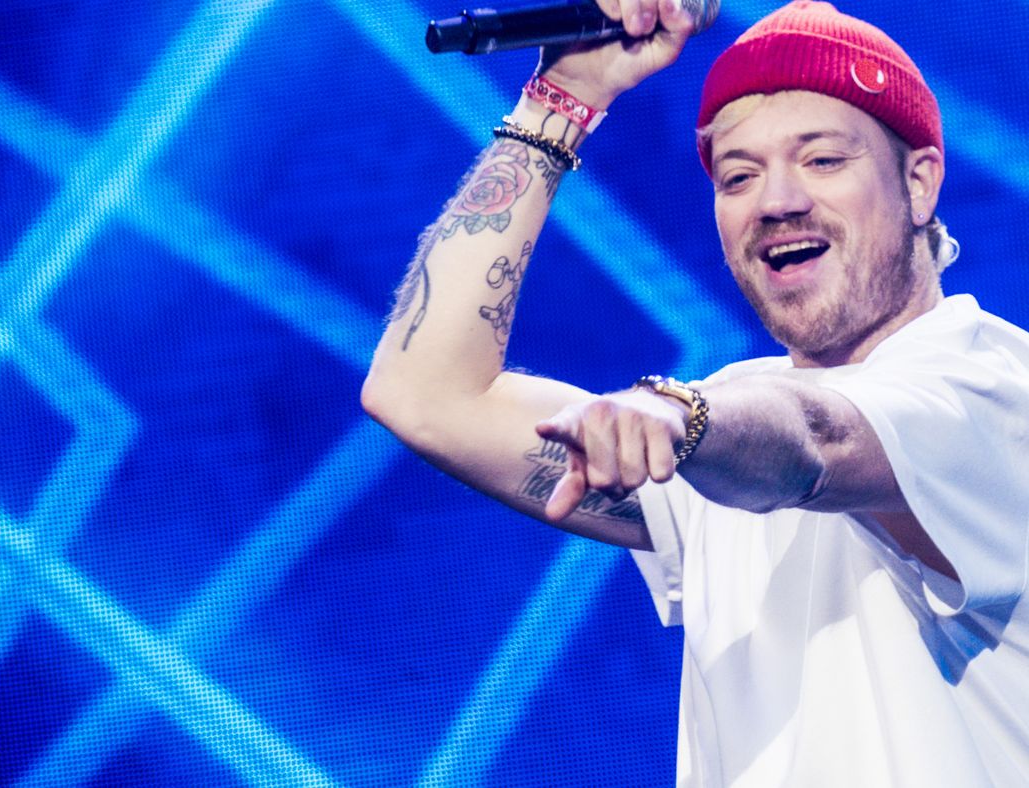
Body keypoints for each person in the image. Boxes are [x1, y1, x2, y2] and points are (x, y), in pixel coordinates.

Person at [360, 1, 1029, 784]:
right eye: (739, 175)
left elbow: (817, 440)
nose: (777, 202)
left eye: (822, 161)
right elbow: (425, 394)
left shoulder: (991, 386)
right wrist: (560, 102)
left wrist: (679, 418)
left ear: (919, 183)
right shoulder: (723, 421)